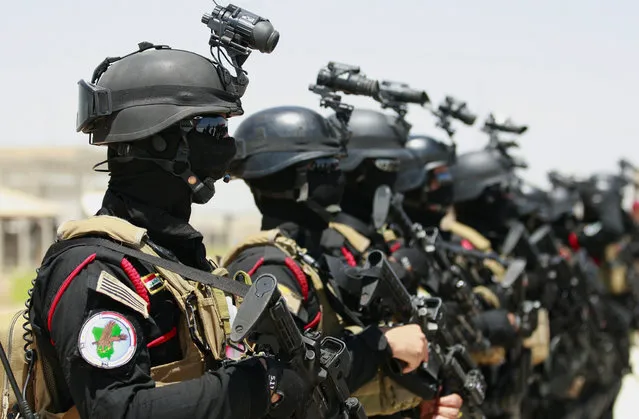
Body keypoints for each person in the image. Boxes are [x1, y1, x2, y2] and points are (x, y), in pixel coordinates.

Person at [14, 43, 311, 419]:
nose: (226, 143)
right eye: (212, 128)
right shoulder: (96, 270)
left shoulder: (172, 258)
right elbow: (116, 409)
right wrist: (256, 386)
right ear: (159, 140)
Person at [222, 105, 463, 419]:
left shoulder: (309, 257)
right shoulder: (269, 269)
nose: (340, 176)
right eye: (328, 165)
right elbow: (285, 382)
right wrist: (381, 345)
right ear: (298, 180)